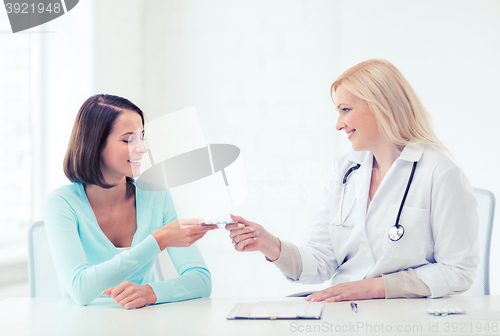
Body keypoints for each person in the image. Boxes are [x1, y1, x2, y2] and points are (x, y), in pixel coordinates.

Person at [226, 59, 479, 302]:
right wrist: (269, 244)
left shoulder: (440, 173)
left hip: (403, 315)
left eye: (345, 110)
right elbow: (322, 261)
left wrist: (372, 288)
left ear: (383, 106)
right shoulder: (345, 170)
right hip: (345, 311)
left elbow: (458, 270)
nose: (339, 125)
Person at [43, 94, 217, 308]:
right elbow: (81, 289)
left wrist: (151, 293)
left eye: (141, 137)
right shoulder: (61, 203)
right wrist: (158, 240)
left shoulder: (158, 196)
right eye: (128, 140)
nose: (142, 148)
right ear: (95, 144)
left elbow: (201, 280)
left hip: (142, 322)